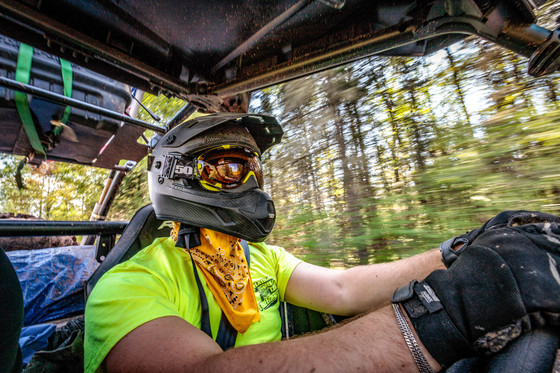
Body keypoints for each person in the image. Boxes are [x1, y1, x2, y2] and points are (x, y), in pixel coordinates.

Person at [84, 113, 560, 373]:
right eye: (229, 168)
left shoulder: (259, 257)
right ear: (178, 177)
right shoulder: (129, 283)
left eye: (253, 168)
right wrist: (448, 316)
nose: (249, 182)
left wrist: (458, 249)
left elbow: (341, 289)